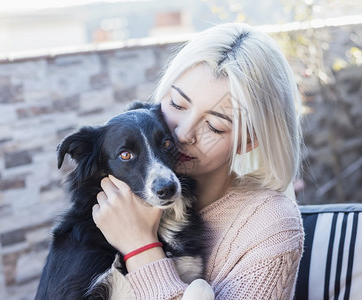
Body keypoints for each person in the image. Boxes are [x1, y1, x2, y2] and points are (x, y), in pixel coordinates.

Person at [92, 22, 304, 299]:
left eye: (215, 126)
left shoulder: (270, 226)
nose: (182, 133)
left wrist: (139, 247)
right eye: (178, 105)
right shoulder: (113, 201)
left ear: (248, 141)